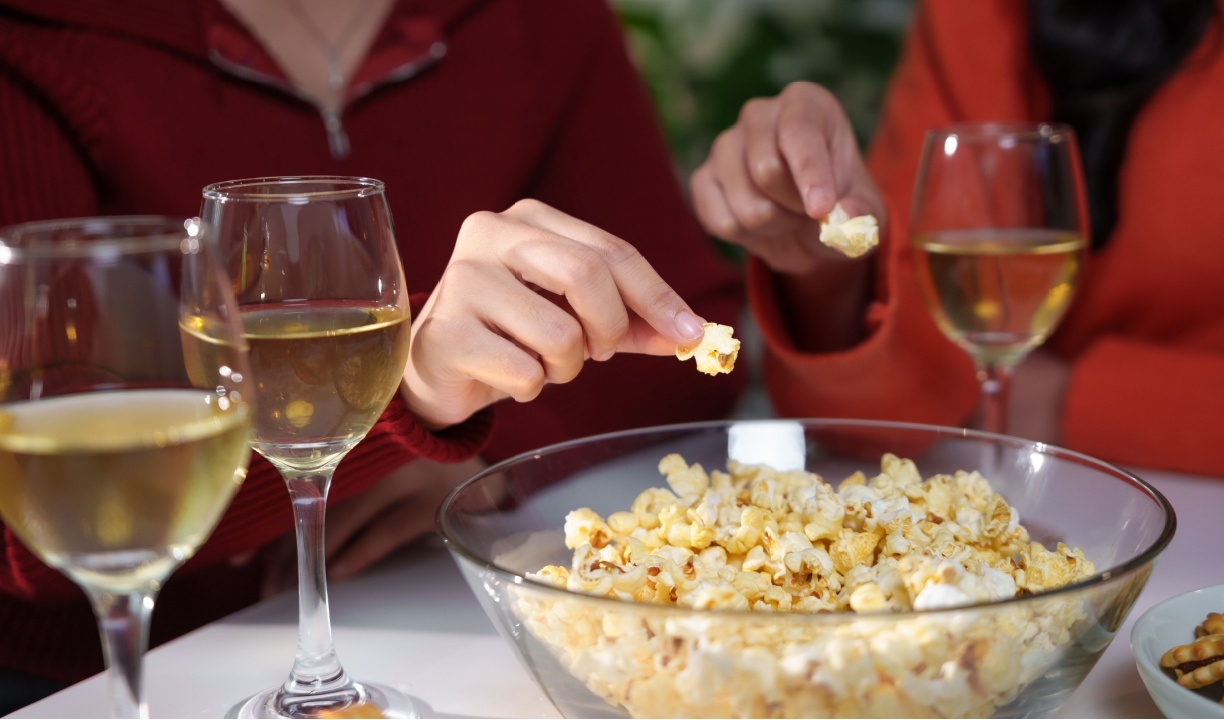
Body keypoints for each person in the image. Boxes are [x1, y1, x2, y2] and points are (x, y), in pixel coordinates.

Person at [0, 0, 746, 703]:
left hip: (426, 626)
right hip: (89, 683)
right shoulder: (36, 33)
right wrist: (408, 398)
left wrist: (467, 446)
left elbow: (683, 334)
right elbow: (36, 504)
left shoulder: (541, 17)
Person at [691, 0, 1224, 484]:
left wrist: (1070, 399)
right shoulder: (992, 19)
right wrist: (828, 264)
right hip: (1094, 521)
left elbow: (963, 389)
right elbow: (896, 416)